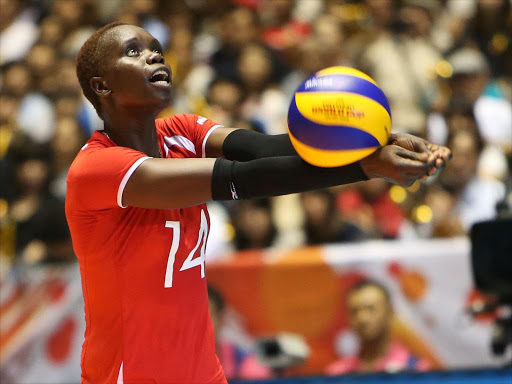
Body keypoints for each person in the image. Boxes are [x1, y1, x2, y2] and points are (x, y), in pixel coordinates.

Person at [66, 22, 450, 384]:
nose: (154, 56)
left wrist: (379, 140)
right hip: (128, 374)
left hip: (201, 371)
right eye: (134, 51)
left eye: (156, 49)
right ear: (101, 85)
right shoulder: (98, 169)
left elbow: (266, 149)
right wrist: (367, 167)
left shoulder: (181, 131)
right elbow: (241, 179)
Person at [326, 280, 430, 375]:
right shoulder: (337, 374)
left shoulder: (416, 370)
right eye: (354, 311)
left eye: (371, 309)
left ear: (390, 312)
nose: (362, 318)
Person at [208, 286, 272, 380]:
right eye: (191, 318)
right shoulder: (180, 365)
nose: (198, 325)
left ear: (221, 319)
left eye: (207, 316)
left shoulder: (250, 367)